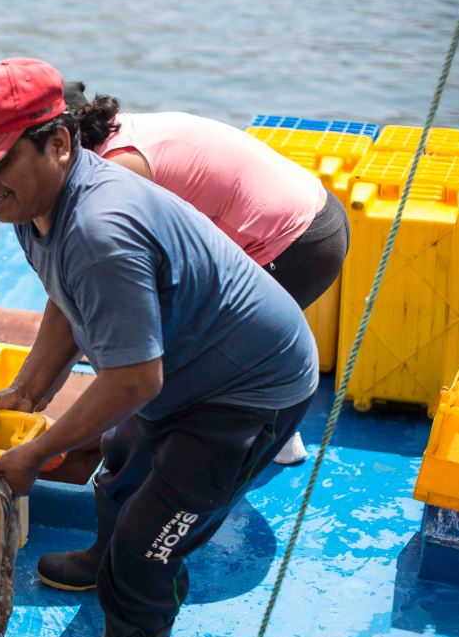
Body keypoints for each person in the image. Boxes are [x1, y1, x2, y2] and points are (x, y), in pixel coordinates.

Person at [0, 58, 317, 637]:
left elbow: (135, 380)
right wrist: (30, 386)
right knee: (117, 465)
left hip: (251, 392)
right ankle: (93, 565)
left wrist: (39, 453)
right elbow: (66, 296)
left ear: (58, 144)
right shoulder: (34, 207)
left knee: (146, 552)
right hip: (189, 366)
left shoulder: (100, 226)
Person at [66, 83, 350, 466]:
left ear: (57, 146)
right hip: (320, 214)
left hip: (295, 243)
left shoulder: (117, 170)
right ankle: (275, 429)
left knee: (184, 353)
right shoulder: (118, 131)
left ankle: (249, 441)